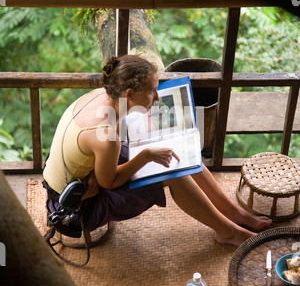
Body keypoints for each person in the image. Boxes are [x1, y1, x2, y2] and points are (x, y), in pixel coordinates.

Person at [43, 54, 271, 246]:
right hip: (75, 205)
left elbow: (94, 152)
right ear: (129, 94)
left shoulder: (103, 97)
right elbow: (108, 182)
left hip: (82, 178)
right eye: (152, 91)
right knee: (174, 174)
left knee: (182, 152)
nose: (158, 96)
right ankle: (229, 232)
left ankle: (235, 214)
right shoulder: (106, 134)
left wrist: (93, 170)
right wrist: (145, 156)